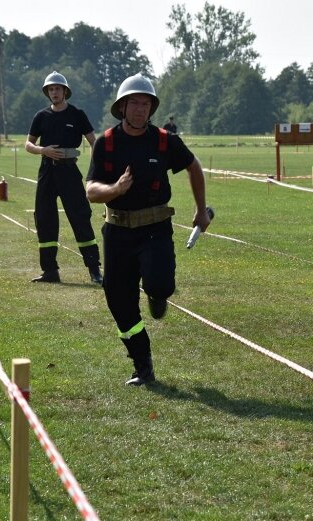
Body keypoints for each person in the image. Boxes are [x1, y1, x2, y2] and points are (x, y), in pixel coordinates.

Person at [86, 73, 210, 386]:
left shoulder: (165, 140)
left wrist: (200, 209)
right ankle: (142, 366)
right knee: (119, 302)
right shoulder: (106, 143)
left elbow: (194, 167)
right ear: (122, 107)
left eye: (146, 104)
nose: (140, 109)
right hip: (117, 233)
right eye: (134, 103)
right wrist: (115, 189)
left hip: (155, 229)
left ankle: (158, 295)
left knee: (160, 284)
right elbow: (91, 190)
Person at [25, 70, 103, 285]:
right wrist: (43, 150)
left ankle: (94, 270)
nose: (54, 92)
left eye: (58, 89)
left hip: (69, 172)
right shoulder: (40, 116)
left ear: (65, 91)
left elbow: (93, 142)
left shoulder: (77, 115)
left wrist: (98, 170)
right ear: (47, 93)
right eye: (50, 89)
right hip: (47, 172)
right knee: (45, 219)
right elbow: (28, 144)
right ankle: (50, 271)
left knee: (80, 217)